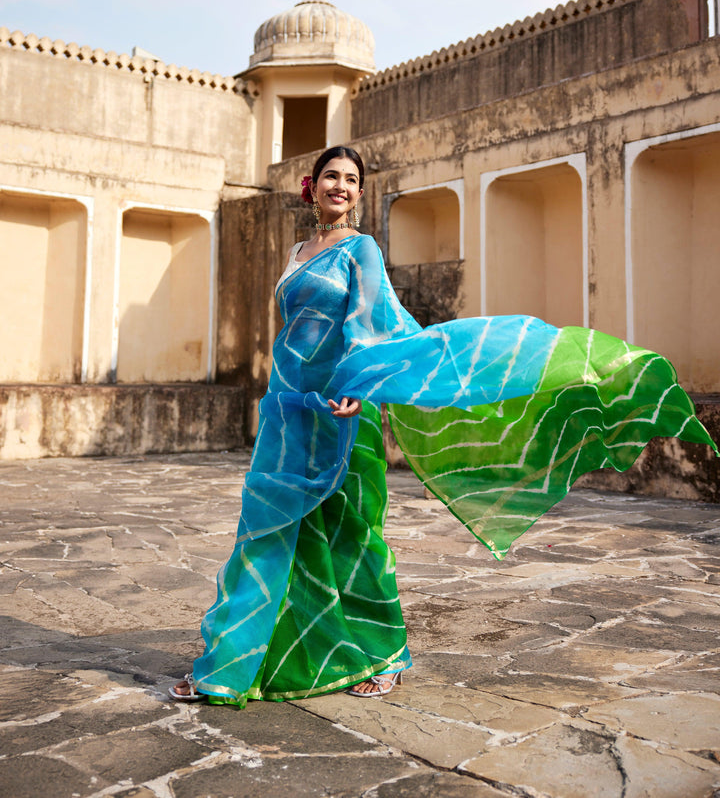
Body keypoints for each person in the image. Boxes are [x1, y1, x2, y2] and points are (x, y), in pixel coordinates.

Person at [170, 145, 716, 706]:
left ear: (359, 193)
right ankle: (235, 662)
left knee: (352, 537)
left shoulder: (362, 250)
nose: (340, 186)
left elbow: (370, 326)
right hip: (287, 409)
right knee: (265, 527)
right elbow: (292, 331)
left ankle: (382, 656)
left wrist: (360, 389)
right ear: (311, 186)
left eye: (351, 179)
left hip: (343, 409)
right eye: (331, 176)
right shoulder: (296, 252)